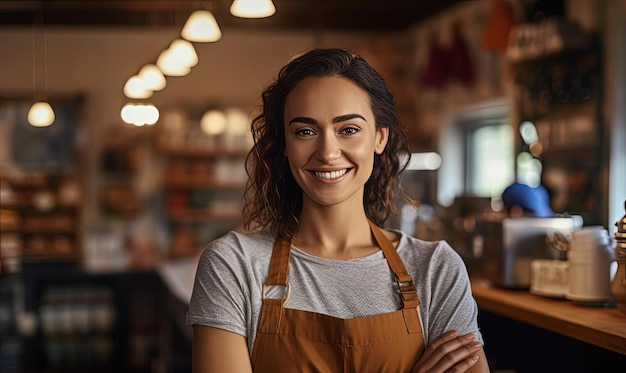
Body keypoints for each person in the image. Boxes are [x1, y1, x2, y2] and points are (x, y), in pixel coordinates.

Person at [186, 48, 489, 372]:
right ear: (286, 146)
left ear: (379, 137)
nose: (328, 152)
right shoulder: (233, 266)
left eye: (348, 129)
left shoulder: (435, 269)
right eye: (305, 131)